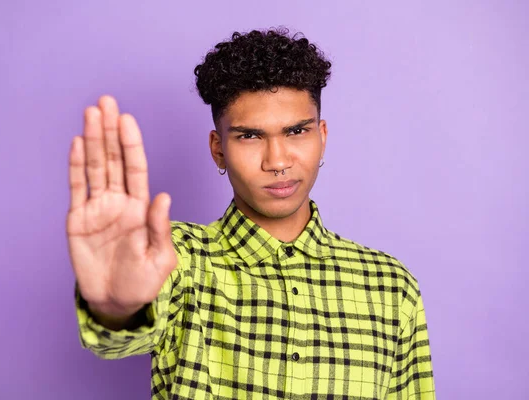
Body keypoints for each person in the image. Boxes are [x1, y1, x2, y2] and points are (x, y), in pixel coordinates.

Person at [66, 28, 435, 399]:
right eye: (249, 136)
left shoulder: (391, 286)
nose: (277, 162)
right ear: (218, 149)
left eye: (296, 131)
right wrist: (117, 309)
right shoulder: (174, 258)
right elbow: (114, 343)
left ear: (321, 136)